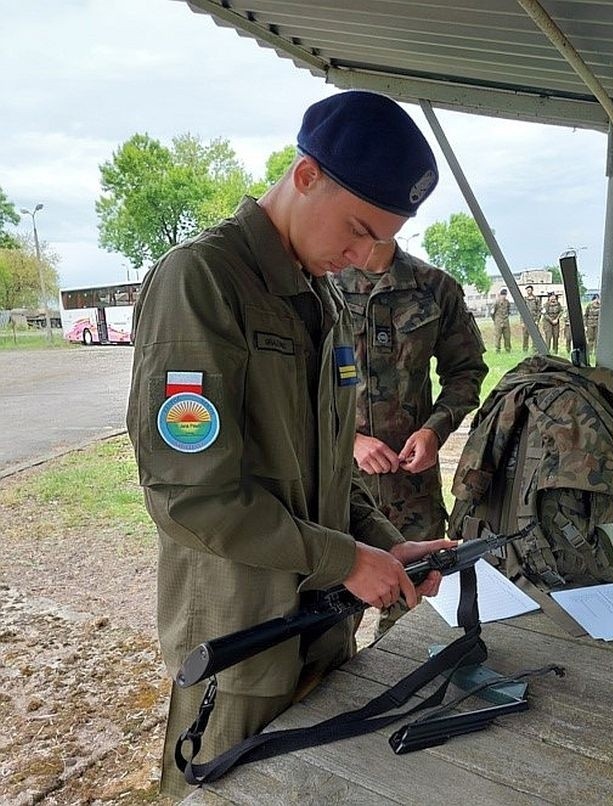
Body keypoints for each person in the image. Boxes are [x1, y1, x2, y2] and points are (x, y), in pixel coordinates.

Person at [126, 90, 452, 799]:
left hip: (323, 627)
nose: (367, 259)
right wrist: (344, 559)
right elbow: (193, 497)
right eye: (360, 230)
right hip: (244, 642)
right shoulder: (203, 281)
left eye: (384, 243)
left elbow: (332, 468)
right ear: (305, 177)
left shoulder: (321, 293)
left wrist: (382, 545)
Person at [335, 239, 488, 635]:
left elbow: (467, 371)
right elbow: (291, 388)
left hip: (412, 491)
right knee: (329, 630)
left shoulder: (434, 288)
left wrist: (434, 430)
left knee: (413, 622)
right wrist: (349, 442)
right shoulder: (323, 284)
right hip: (338, 493)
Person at [521, 284, 541, 351]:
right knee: (525, 335)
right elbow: (522, 311)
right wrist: (522, 322)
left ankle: (535, 349)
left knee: (535, 336)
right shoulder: (524, 299)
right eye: (527, 290)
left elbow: (539, 310)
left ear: (532, 290)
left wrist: (537, 320)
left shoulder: (536, 299)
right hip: (526, 320)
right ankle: (525, 348)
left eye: (529, 290)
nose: (528, 291)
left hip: (534, 319)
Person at [491, 287, 512, 352]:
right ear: (500, 295)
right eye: (502, 295)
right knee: (498, 336)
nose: (504, 296)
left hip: (506, 320)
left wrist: (506, 317)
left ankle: (508, 348)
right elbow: (492, 312)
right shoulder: (496, 302)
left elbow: (508, 311)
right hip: (498, 321)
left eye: (505, 295)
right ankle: (497, 348)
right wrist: (495, 320)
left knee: (507, 335)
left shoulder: (507, 302)